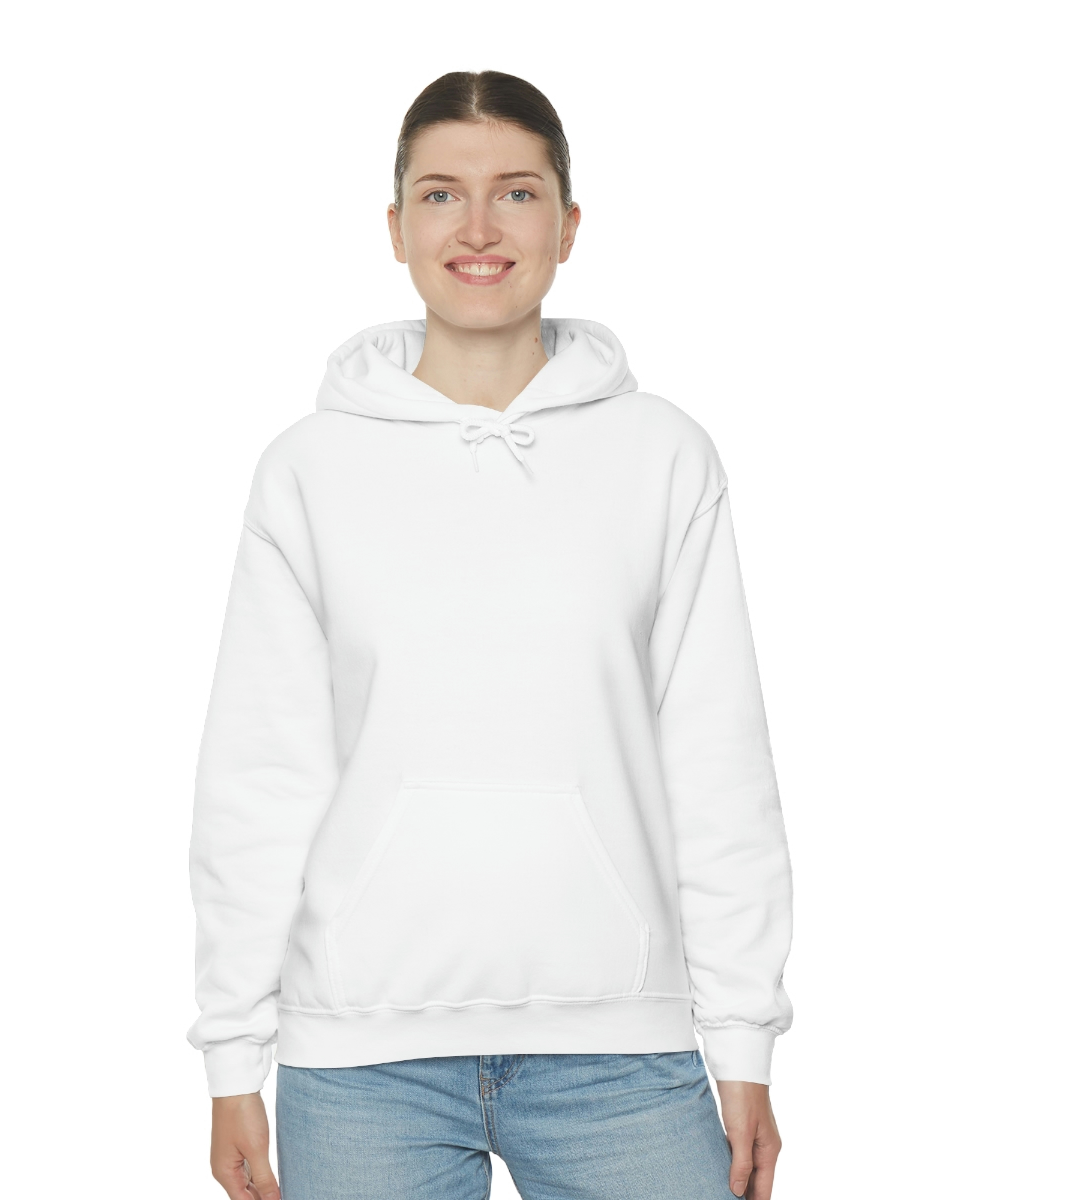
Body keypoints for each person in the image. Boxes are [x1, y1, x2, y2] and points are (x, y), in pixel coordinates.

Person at [187, 70, 794, 1200]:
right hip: (362, 1059)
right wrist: (232, 1052)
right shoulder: (310, 470)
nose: (477, 228)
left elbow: (718, 765)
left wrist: (744, 1037)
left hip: (622, 1049)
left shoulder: (662, 456)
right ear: (395, 228)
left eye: (516, 192)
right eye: (440, 195)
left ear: (569, 224)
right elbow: (260, 775)